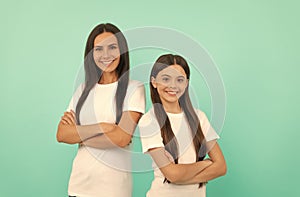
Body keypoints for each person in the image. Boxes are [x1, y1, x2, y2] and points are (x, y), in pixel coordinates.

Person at [56, 23, 145, 197]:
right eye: (98, 49)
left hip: (114, 189)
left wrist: (79, 137)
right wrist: (103, 127)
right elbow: (62, 134)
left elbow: (121, 138)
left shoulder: (134, 88)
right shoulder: (83, 90)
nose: (106, 55)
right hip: (78, 186)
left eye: (112, 47)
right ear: (91, 54)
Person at [138, 54, 226, 197]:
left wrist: (181, 178)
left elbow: (221, 166)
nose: (173, 85)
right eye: (166, 79)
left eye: (179, 80)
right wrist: (206, 164)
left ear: (186, 83)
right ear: (154, 82)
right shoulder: (149, 121)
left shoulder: (199, 117)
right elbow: (171, 174)